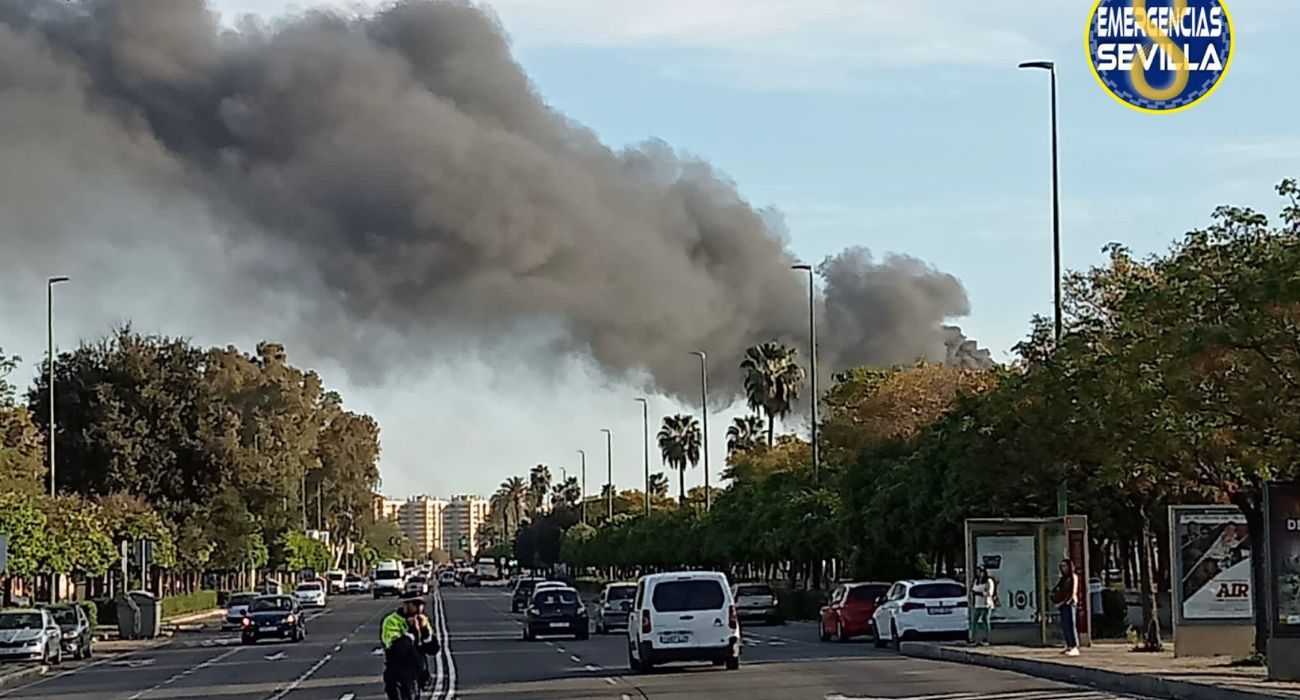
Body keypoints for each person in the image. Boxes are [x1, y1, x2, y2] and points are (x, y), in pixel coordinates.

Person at [381, 594, 436, 700]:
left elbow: (433, 649)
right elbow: (398, 649)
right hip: (397, 672)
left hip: (415, 673)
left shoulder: (422, 620)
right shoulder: (391, 621)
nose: (419, 608)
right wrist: (412, 630)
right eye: (415, 604)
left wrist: (424, 630)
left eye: (421, 604)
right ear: (405, 605)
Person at [1052, 559, 1081, 656]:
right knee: (1065, 626)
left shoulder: (1073, 577)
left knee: (1071, 625)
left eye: (1065, 565)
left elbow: (1072, 592)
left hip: (1070, 604)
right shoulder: (1063, 579)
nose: (1063, 568)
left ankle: (1074, 646)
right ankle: (1068, 645)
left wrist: (1066, 602)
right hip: (1062, 604)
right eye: (1061, 566)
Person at [969, 566, 996, 646]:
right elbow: (973, 590)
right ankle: (973, 638)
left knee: (985, 620)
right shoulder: (976, 581)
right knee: (974, 621)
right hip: (978, 604)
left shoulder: (988, 581)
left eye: (981, 572)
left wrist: (980, 593)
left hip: (986, 604)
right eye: (977, 572)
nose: (979, 574)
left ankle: (987, 638)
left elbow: (989, 593)